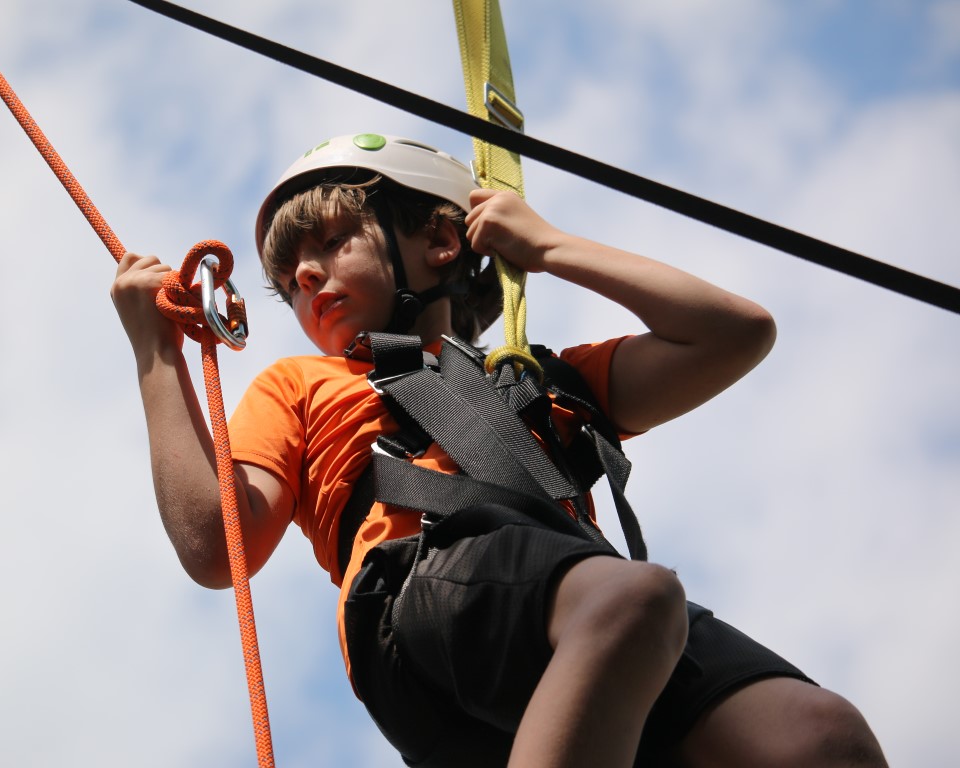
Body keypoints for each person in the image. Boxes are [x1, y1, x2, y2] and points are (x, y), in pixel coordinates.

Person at [111, 133, 886, 767]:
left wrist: (548, 247)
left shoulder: (541, 382)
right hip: (417, 594)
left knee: (820, 738)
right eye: (289, 280)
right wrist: (157, 355)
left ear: (441, 240)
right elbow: (218, 545)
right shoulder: (302, 384)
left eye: (333, 241)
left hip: (574, 609)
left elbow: (736, 334)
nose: (306, 276)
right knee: (635, 601)